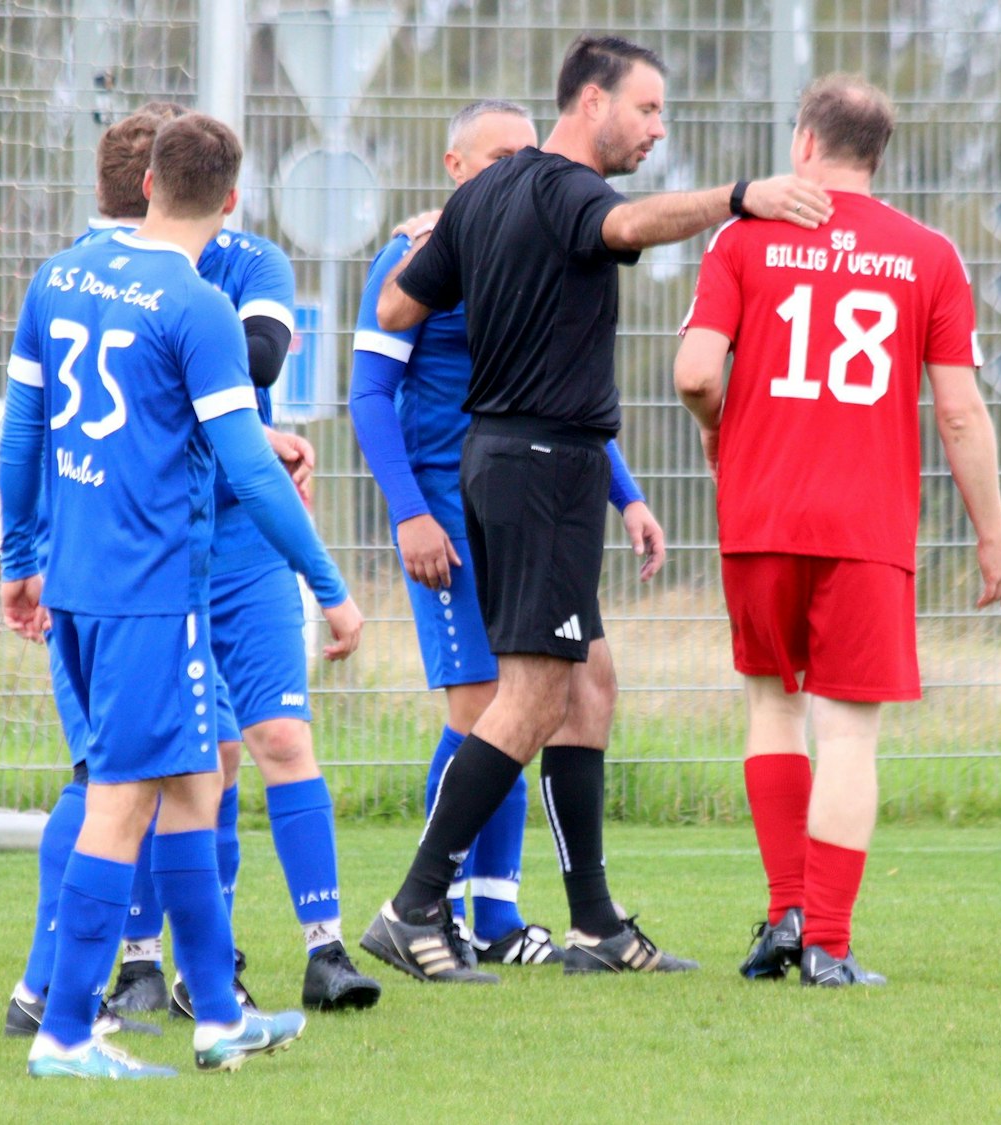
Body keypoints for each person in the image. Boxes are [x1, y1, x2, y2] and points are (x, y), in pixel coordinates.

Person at [359, 34, 833, 982]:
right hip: (537, 465)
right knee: (528, 695)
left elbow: (403, 310)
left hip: (517, 463)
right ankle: (413, 908)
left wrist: (455, 236)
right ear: (590, 104)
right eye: (647, 109)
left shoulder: (483, 197)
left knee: (591, 682)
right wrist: (742, 198)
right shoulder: (571, 192)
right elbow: (629, 227)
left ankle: (594, 926)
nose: (658, 128)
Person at [0, 112, 364, 1077]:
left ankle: (217, 1016)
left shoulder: (61, 276)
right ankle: (67, 1030)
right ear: (232, 200)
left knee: (197, 784)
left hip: (80, 582)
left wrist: (17, 558)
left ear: (149, 180)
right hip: (153, 592)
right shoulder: (195, 303)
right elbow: (252, 471)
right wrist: (330, 589)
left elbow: (21, 435)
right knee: (123, 801)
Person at [672, 74, 1001, 987]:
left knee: (771, 704)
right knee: (850, 734)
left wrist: (721, 432)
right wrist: (994, 536)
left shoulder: (743, 238)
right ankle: (827, 940)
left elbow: (696, 372)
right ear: (876, 155)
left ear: (804, 145)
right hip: (866, 524)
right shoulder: (930, 254)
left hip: (761, 511)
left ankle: (787, 911)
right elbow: (960, 415)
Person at [350, 99, 657, 967]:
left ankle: (526, 917)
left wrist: (626, 495)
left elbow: (554, 384)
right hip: (453, 507)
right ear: (454, 165)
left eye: (528, 153)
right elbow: (371, 396)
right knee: (489, 706)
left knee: (582, 683)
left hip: (538, 493)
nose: (519, 169)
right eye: (498, 156)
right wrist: (410, 511)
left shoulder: (527, 238)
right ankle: (432, 910)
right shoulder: (413, 253)